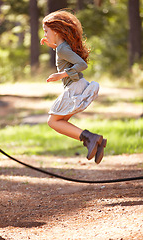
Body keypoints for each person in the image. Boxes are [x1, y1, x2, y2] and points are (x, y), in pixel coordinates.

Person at [40, 10, 107, 164]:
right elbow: (65, 54)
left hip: (74, 87)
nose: (45, 34)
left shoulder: (62, 49)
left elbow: (82, 65)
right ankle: (96, 143)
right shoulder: (62, 47)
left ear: (56, 31)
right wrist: (52, 45)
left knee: (53, 122)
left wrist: (61, 75)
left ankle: (91, 138)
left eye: (46, 31)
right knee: (61, 121)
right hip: (77, 86)